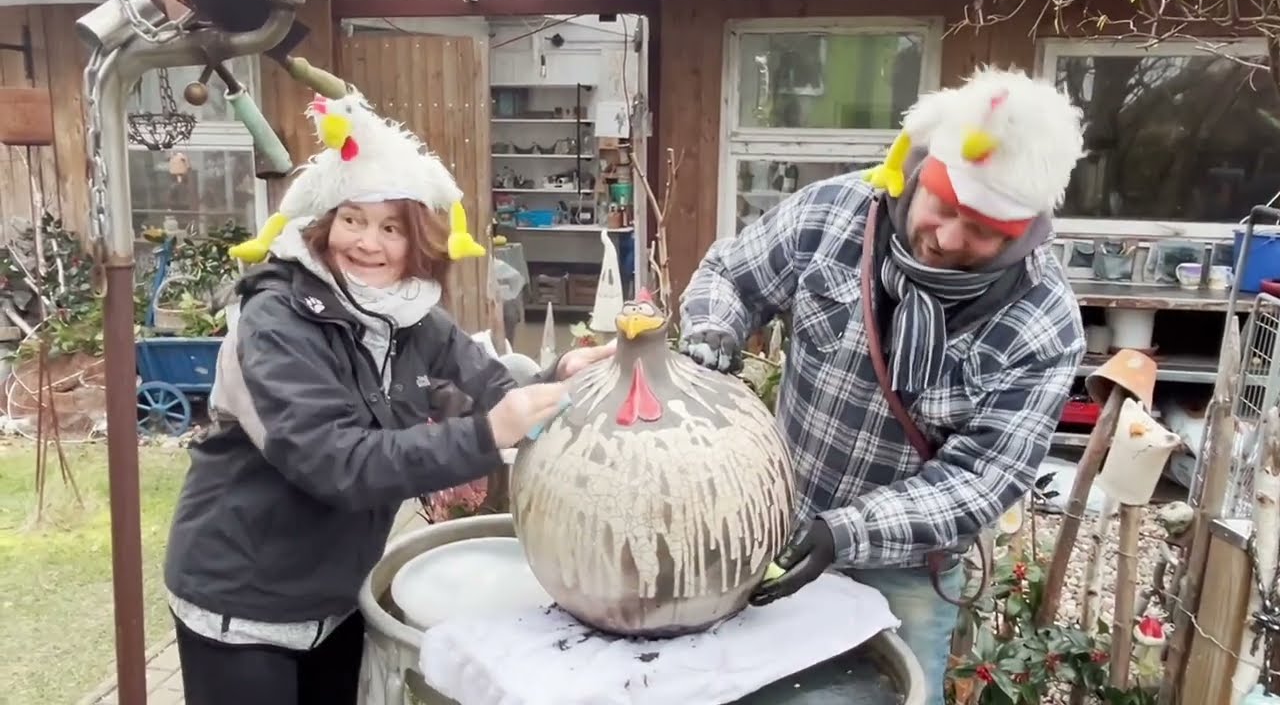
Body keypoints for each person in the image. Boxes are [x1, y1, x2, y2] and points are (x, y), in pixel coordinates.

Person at [162, 91, 614, 705]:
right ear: (323, 223)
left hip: (338, 599)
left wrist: (560, 378)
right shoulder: (274, 323)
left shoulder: (413, 320)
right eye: (353, 220)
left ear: (416, 241)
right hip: (243, 605)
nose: (368, 244)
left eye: (391, 227)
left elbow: (489, 392)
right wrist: (488, 436)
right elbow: (334, 461)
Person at [678, 67, 1087, 703]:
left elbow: (981, 478)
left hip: (906, 573)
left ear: (1024, 232)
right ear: (918, 170)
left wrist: (846, 531)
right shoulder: (834, 216)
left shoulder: (1042, 323)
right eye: (943, 207)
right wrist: (715, 330)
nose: (948, 240)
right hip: (775, 528)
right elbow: (731, 276)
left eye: (982, 231)